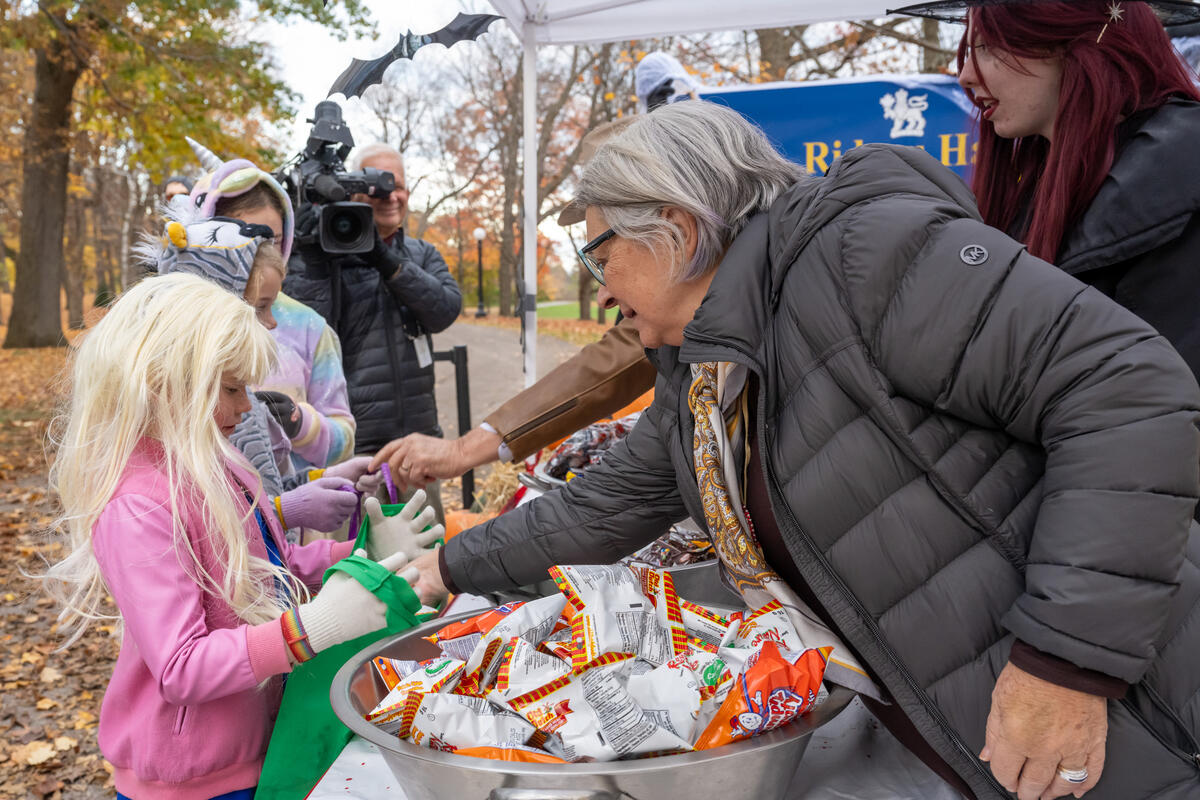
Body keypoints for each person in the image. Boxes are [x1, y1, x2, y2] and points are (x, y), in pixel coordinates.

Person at [406, 102, 1200, 800]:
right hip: (984, 737)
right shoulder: (706, 364)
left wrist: (1066, 665)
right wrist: (450, 567)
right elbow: (606, 501)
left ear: (676, 229)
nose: (601, 288)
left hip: (1145, 719)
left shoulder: (864, 257)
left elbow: (1123, 388)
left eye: (600, 255)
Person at [41, 273, 428, 799]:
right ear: (166, 382)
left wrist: (365, 553)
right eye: (230, 389)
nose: (247, 406)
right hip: (190, 777)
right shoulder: (138, 507)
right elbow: (181, 667)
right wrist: (307, 629)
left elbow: (277, 566)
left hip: (258, 739)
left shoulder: (224, 466)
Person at [934, 0, 1200, 378]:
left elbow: (1160, 402)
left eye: (989, 47)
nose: (965, 76)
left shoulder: (1181, 181)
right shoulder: (1045, 191)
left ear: (1075, 44)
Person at [138, 189, 368, 537]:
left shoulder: (304, 335)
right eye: (260, 306)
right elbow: (202, 530)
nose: (272, 322)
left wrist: (325, 476)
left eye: (274, 238)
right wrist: (285, 512)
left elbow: (268, 484)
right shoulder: (170, 413)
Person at [284, 142, 462, 521]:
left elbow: (444, 311)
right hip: (354, 446)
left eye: (397, 185)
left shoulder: (422, 253)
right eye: (378, 186)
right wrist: (309, 256)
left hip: (417, 441)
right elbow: (308, 328)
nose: (390, 196)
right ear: (355, 191)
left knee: (426, 557)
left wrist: (385, 260)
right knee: (358, 563)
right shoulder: (330, 257)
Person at [186, 140, 361, 484]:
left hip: (299, 518)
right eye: (244, 239)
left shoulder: (309, 327)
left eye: (271, 240)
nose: (258, 254)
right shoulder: (180, 329)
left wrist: (300, 423)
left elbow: (344, 442)